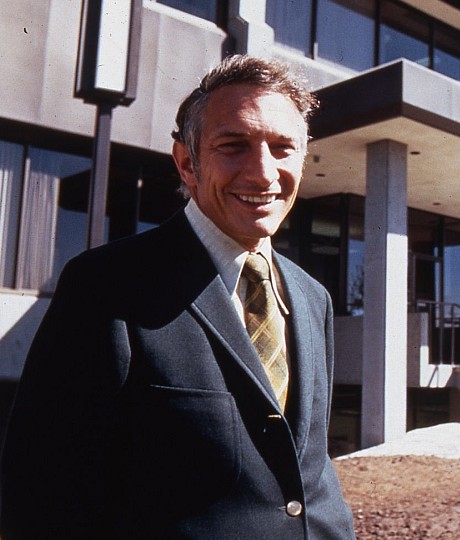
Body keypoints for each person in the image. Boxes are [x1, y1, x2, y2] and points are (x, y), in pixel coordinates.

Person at [0, 55, 355, 539]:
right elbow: (41, 493)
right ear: (187, 162)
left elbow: (306, 474)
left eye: (283, 148)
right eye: (234, 146)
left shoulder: (314, 298)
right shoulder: (105, 287)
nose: (264, 173)